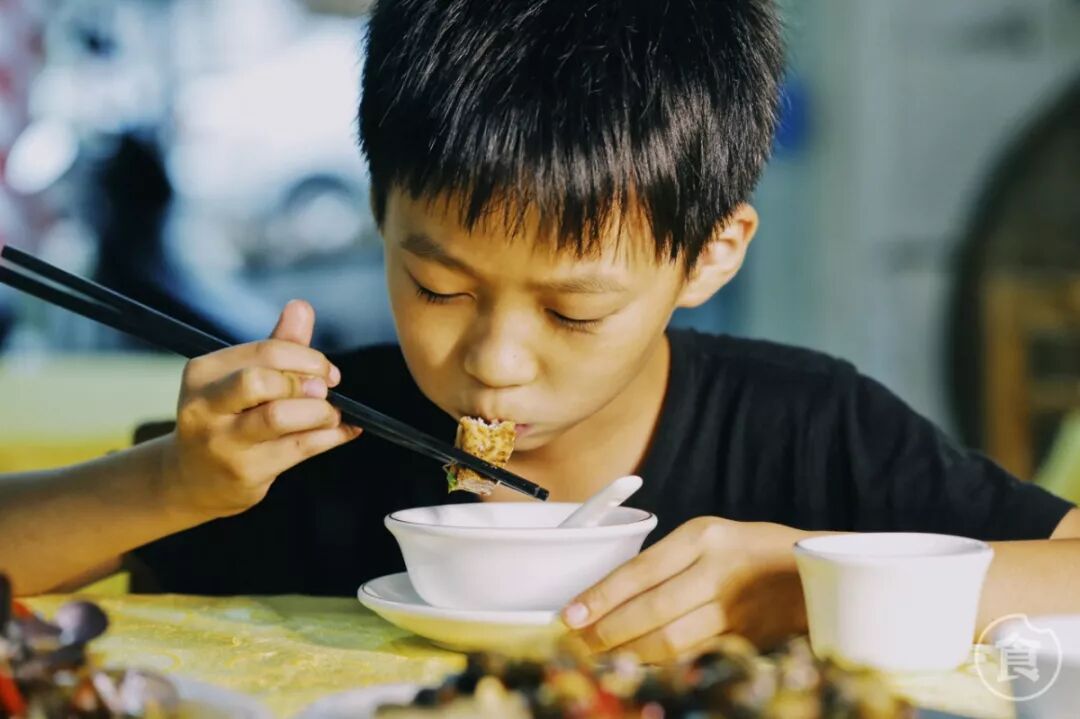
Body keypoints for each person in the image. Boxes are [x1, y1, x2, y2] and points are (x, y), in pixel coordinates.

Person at [1, 0, 1078, 662]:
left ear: (711, 256)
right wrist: (173, 482)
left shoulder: (805, 424)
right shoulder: (315, 443)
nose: (494, 363)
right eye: (438, 286)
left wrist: (808, 582)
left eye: (574, 311)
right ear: (380, 213)